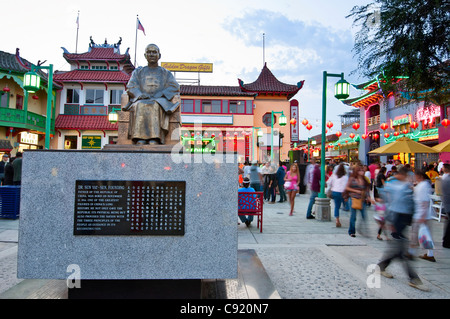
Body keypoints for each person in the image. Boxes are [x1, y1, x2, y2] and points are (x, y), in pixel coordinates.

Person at [377, 167, 429, 291]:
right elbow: (385, 201)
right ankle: (413, 278)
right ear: (401, 175)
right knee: (401, 250)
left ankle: (381, 266)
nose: (408, 178)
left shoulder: (403, 186)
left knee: (398, 250)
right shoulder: (393, 185)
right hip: (396, 220)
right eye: (406, 176)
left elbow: (410, 203)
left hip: (402, 220)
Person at [123, 44, 180, 145]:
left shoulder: (166, 73)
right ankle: (140, 138)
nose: (152, 54)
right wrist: (139, 94)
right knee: (140, 105)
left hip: (159, 100)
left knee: (155, 105)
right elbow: (131, 86)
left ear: (159, 55)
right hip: (140, 99)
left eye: (154, 52)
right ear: (145, 55)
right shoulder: (138, 72)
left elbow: (175, 86)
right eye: (149, 52)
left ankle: (155, 138)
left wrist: (162, 93)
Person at [408, 170, 436, 262]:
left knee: (416, 234)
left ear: (419, 176)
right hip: (421, 214)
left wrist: (423, 216)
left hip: (421, 214)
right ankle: (429, 254)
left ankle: (411, 252)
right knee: (423, 234)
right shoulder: (422, 185)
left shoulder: (424, 185)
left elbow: (425, 202)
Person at [346, 164, 370, 237]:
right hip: (353, 199)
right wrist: (356, 191)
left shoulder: (364, 179)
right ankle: (351, 231)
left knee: (364, 216)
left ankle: (361, 229)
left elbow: (366, 189)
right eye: (360, 171)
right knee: (353, 216)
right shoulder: (352, 178)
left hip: (362, 199)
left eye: (363, 170)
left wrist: (368, 197)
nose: (362, 172)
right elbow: (347, 187)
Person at [327, 163, 348, 227]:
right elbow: (346, 185)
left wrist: (333, 186)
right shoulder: (345, 177)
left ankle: (337, 219)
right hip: (343, 193)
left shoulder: (334, 175)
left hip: (335, 192)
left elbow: (328, 182)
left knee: (336, 206)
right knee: (346, 205)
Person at [442, 164, 450, 248]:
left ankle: (446, 241)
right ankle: (446, 242)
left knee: (448, 224)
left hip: (447, 205)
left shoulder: (444, 178)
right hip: (448, 204)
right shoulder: (448, 179)